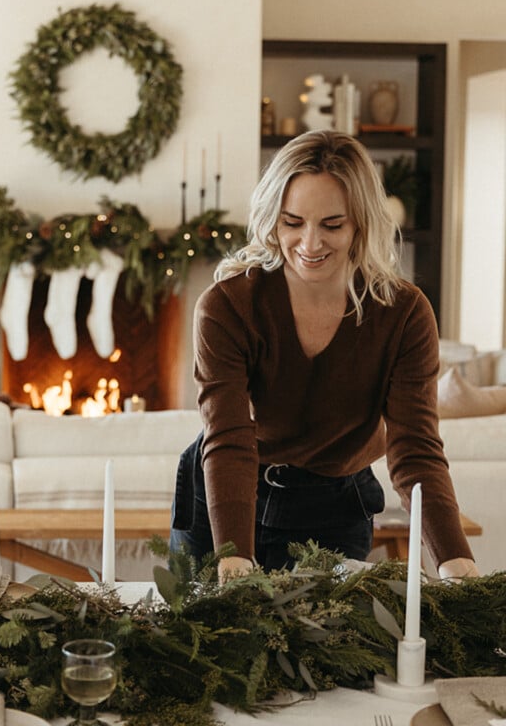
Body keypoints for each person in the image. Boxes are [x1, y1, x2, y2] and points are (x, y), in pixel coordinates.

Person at [170, 129, 478, 584]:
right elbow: (230, 438)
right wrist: (233, 559)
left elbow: (415, 449)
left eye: (332, 225)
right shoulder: (227, 305)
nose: (310, 244)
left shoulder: (404, 313)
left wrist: (456, 562)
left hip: (336, 505)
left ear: (361, 224)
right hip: (224, 501)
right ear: (272, 218)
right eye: (292, 222)